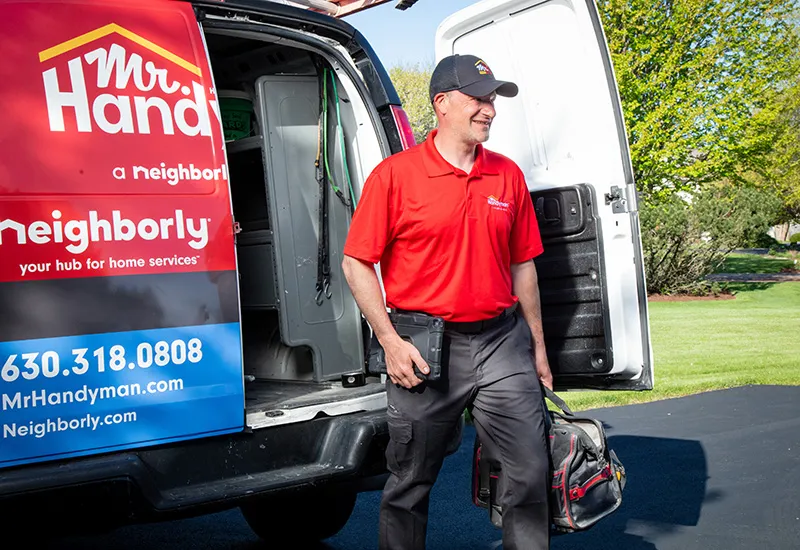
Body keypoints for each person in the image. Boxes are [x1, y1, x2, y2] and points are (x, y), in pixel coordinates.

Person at [341, 53, 552, 550]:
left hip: (502, 340)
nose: (490, 110)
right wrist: (390, 341)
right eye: (479, 99)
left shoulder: (507, 175)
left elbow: (524, 266)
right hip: (427, 346)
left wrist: (538, 347)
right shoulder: (395, 176)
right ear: (442, 103)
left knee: (529, 467)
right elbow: (356, 262)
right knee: (411, 480)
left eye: (493, 100)